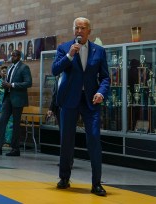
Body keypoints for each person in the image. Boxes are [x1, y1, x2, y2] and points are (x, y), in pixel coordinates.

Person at [52, 17, 110, 196]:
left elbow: (105, 77)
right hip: (69, 100)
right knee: (67, 140)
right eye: (76, 28)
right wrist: (70, 55)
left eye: (83, 28)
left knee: (94, 139)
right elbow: (55, 70)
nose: (79, 31)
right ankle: (64, 178)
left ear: (89, 31)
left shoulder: (99, 51)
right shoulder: (64, 48)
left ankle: (96, 183)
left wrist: (101, 92)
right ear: (73, 30)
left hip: (90, 101)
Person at [0, 50, 32, 156]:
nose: (13, 57)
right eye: (12, 56)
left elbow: (28, 83)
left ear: (19, 56)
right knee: (2, 122)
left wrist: (12, 85)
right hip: (7, 97)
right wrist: (4, 85)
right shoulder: (10, 67)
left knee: (15, 124)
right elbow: (8, 81)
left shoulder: (24, 67)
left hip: (18, 99)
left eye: (15, 55)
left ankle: (15, 149)